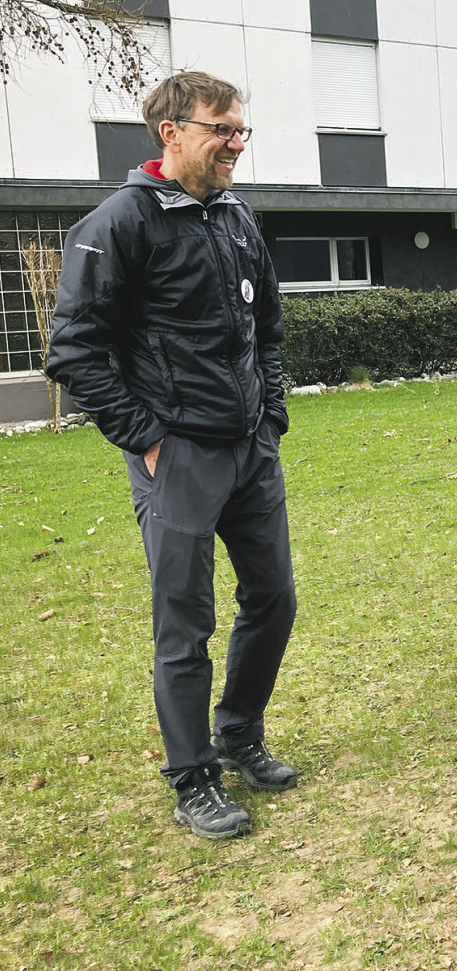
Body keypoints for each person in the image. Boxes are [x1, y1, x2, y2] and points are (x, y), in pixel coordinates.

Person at [46, 72, 298, 840]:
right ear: (172, 132)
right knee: (184, 626)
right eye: (223, 130)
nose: (236, 145)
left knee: (274, 598)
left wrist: (272, 414)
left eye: (240, 130)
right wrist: (147, 438)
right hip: (177, 454)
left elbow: (270, 330)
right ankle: (193, 778)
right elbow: (74, 352)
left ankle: (239, 733)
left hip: (250, 448)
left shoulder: (235, 217)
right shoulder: (118, 223)